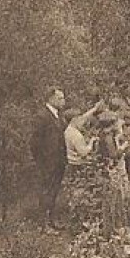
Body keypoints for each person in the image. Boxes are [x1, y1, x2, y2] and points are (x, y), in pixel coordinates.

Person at [61, 98, 107, 226]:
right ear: (74, 120)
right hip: (78, 164)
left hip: (71, 163)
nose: (83, 121)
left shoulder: (68, 130)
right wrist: (92, 141)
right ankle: (78, 219)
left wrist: (94, 109)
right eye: (79, 119)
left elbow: (84, 117)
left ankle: (75, 216)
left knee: (74, 191)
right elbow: (84, 152)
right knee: (79, 191)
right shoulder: (76, 135)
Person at [30, 88, 69, 224]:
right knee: (45, 190)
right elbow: (35, 142)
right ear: (51, 99)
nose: (63, 101)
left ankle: (52, 220)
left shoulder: (59, 115)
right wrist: (42, 159)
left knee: (54, 190)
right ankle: (43, 223)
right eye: (60, 98)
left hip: (59, 161)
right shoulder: (42, 116)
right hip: (47, 162)